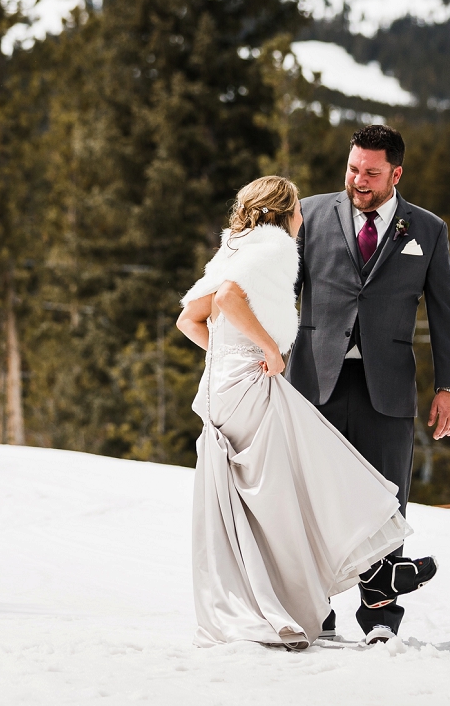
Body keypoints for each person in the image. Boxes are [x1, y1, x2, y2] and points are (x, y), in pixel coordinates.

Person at [178, 176, 410, 649]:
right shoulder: (276, 248)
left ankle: (295, 594)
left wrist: (229, 354)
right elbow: (225, 300)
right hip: (252, 387)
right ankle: (373, 567)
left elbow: (189, 318)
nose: (304, 215)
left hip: (222, 388)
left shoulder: (233, 252)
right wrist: (268, 351)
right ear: (286, 213)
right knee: (311, 473)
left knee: (263, 499)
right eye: (298, 208)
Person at [289, 123, 450, 644]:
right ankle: (311, 607)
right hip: (312, 380)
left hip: (387, 385)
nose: (357, 180)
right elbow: (285, 290)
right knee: (310, 497)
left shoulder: (427, 230)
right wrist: (265, 355)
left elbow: (445, 314)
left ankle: (381, 616)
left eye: (370, 172)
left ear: (396, 173)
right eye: (352, 168)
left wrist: (448, 386)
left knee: (386, 499)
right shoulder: (312, 215)